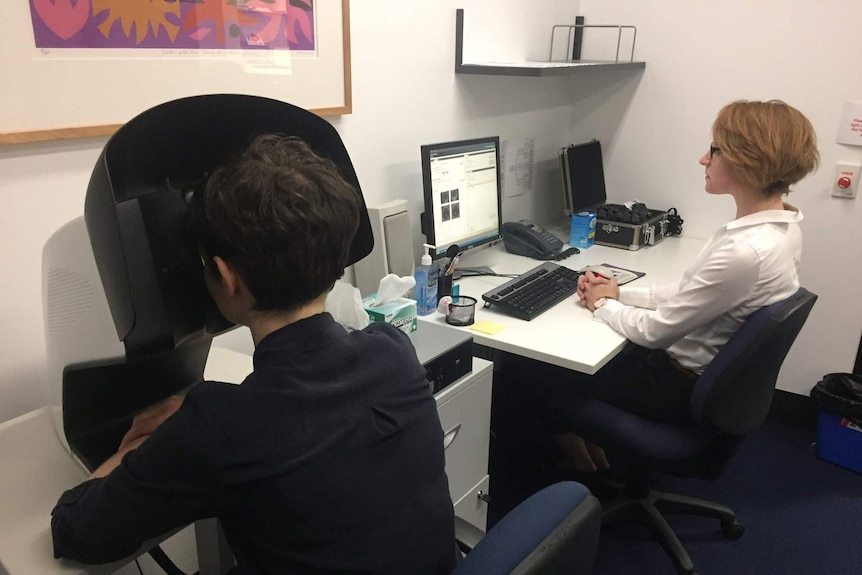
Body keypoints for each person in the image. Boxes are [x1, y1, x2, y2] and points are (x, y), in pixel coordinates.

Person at [51, 135, 457, 574]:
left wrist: (141, 449)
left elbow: (76, 529)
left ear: (225, 276)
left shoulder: (222, 428)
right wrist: (192, 420)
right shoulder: (392, 350)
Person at [532, 99, 820, 472]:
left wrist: (602, 306)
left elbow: (655, 332)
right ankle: (598, 456)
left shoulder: (745, 252)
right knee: (585, 356)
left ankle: (586, 471)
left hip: (675, 387)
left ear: (747, 159)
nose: (704, 159)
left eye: (714, 150)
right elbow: (691, 293)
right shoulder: (780, 229)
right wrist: (618, 291)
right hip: (699, 376)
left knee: (540, 375)